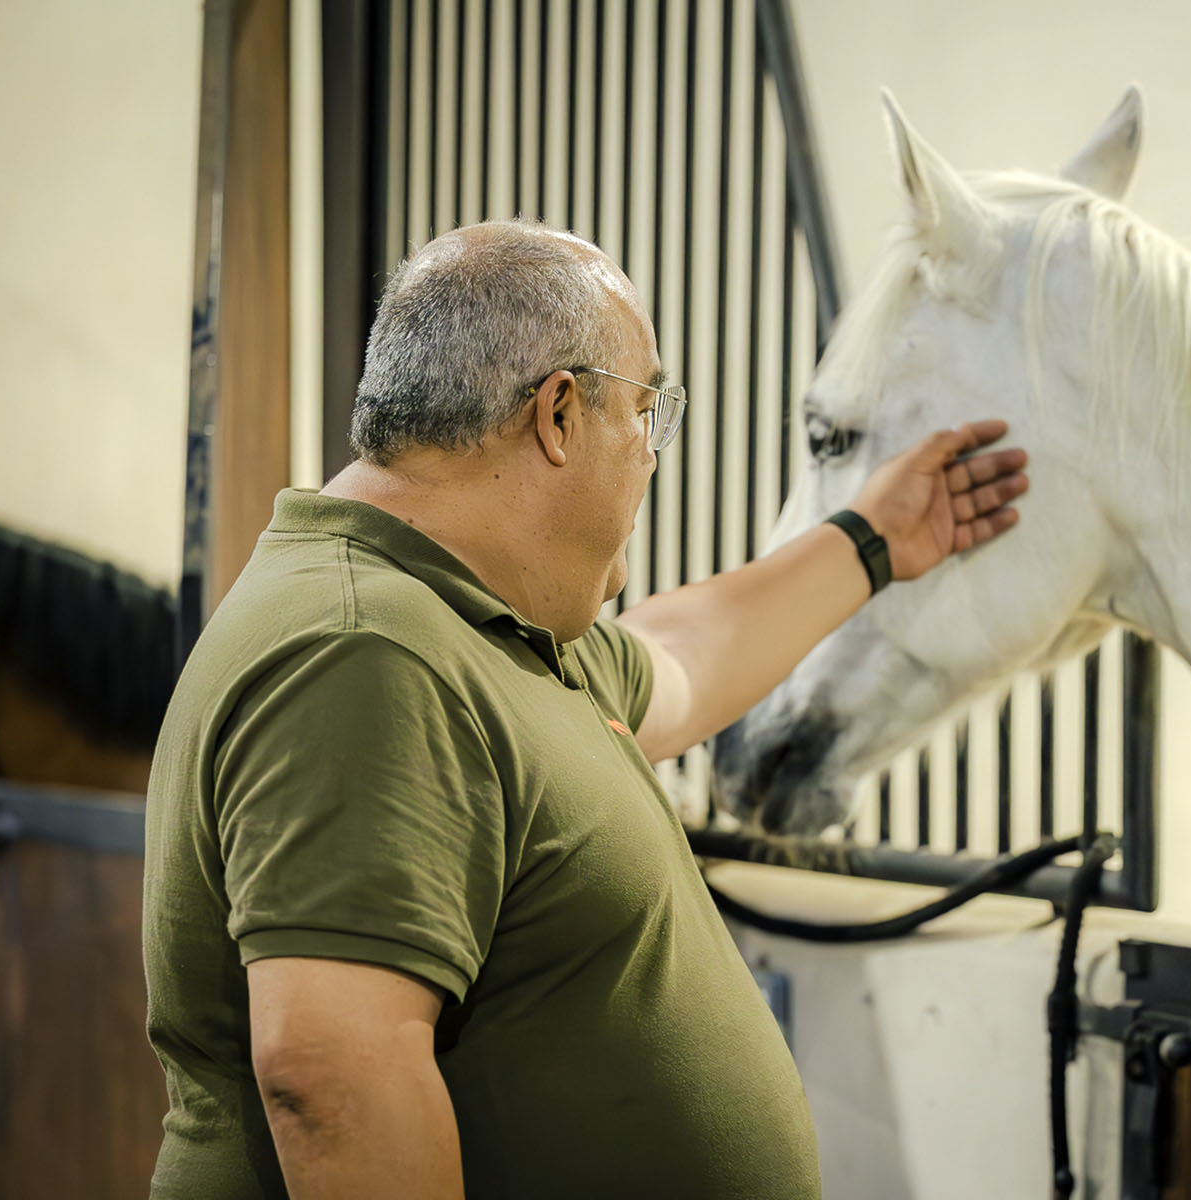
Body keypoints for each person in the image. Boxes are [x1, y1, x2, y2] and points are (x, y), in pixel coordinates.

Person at [141, 218, 1028, 1199]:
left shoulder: (481, 633)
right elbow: (331, 1078)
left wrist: (872, 539)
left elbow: (684, 652)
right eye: (647, 411)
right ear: (559, 414)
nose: (651, 454)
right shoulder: (367, 653)